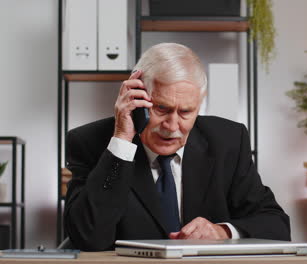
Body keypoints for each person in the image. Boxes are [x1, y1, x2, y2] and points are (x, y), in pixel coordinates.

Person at [64, 43, 290, 251]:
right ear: (137, 97)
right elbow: (88, 237)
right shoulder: (90, 142)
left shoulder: (228, 141)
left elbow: (277, 226)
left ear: (199, 104)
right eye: (161, 108)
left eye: (185, 112)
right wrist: (122, 140)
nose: (172, 126)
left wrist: (221, 231)